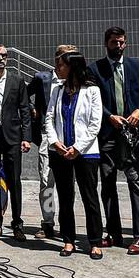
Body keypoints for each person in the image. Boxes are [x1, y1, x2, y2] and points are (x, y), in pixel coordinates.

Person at [89, 26, 139, 254]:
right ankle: (114, 233)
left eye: (121, 42)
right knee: (107, 186)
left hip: (132, 138)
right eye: (114, 42)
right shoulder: (94, 69)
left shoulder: (136, 66)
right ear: (106, 43)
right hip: (108, 136)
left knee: (136, 184)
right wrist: (109, 117)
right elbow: (92, 101)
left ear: (125, 43)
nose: (118, 46)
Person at [45, 47, 104, 259]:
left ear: (72, 67)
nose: (56, 68)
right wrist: (55, 142)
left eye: (60, 65)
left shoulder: (92, 91)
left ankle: (94, 241)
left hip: (86, 154)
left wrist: (78, 148)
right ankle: (68, 240)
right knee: (65, 197)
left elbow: (94, 124)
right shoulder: (57, 90)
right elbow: (49, 118)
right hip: (60, 152)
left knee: (90, 197)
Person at [0, 43, 32, 240]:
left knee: (14, 180)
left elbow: (25, 109)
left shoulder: (17, 80)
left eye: (4, 56)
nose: (1, 59)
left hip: (13, 136)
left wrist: (26, 137)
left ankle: (17, 224)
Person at [28, 65, 59, 239]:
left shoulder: (76, 81)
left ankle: (66, 223)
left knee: (68, 184)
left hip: (70, 137)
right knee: (46, 181)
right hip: (46, 134)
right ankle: (48, 222)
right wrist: (33, 108)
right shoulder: (42, 78)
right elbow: (24, 93)